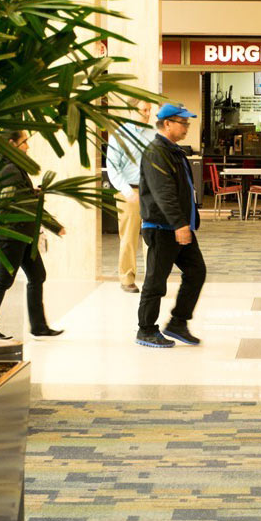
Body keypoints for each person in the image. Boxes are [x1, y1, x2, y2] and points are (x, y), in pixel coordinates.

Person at [0, 130, 65, 340]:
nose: (27, 146)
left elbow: (20, 198)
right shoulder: (9, 169)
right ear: (12, 144)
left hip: (23, 234)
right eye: (24, 142)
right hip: (12, 235)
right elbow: (18, 205)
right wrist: (53, 224)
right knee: (3, 281)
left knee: (37, 276)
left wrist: (32, 193)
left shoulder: (12, 167)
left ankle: (38, 326)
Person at [136, 104, 206, 348]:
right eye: (183, 122)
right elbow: (163, 192)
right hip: (162, 227)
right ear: (167, 123)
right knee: (156, 280)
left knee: (197, 271)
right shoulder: (156, 151)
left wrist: (185, 222)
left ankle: (178, 323)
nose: (187, 127)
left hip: (179, 226)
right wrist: (179, 224)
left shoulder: (175, 151)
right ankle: (145, 330)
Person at [106, 98, 156, 293]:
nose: (147, 114)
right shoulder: (118, 136)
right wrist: (127, 192)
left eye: (149, 110)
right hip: (128, 192)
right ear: (131, 110)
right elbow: (112, 168)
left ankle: (151, 279)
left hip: (150, 191)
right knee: (128, 237)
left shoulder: (153, 134)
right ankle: (127, 279)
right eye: (144, 110)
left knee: (152, 237)